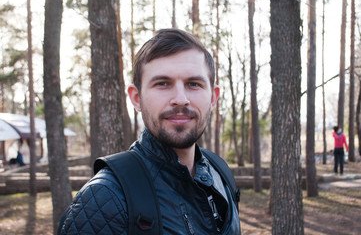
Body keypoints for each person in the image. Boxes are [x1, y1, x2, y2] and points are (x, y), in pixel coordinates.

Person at [58, 29, 241, 234]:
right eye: (162, 83)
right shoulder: (104, 198)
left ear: (213, 97)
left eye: (194, 84)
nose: (180, 99)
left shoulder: (219, 173)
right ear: (136, 98)